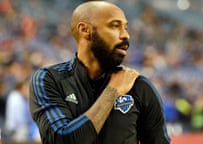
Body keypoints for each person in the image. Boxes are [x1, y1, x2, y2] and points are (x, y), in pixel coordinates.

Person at [29, 1, 170, 144]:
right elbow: (60, 140)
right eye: (115, 26)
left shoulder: (139, 86)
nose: (125, 35)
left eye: (125, 28)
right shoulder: (49, 79)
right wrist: (112, 92)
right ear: (85, 30)